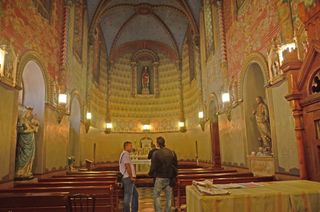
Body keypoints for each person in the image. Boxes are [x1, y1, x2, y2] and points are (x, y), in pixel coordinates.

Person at [149, 137, 177, 212]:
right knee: (168, 197)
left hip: (160, 177)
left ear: (157, 144)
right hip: (170, 177)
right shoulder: (172, 152)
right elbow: (175, 165)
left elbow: (153, 166)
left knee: (156, 195)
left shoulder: (156, 153)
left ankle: (158, 210)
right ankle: (167, 210)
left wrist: (150, 173)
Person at [119, 141, 139, 212]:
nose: (131, 147)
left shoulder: (124, 154)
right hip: (128, 178)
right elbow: (127, 166)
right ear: (126, 146)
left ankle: (134, 210)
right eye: (130, 146)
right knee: (128, 196)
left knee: (135, 194)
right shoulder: (125, 154)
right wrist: (131, 177)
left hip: (127, 177)